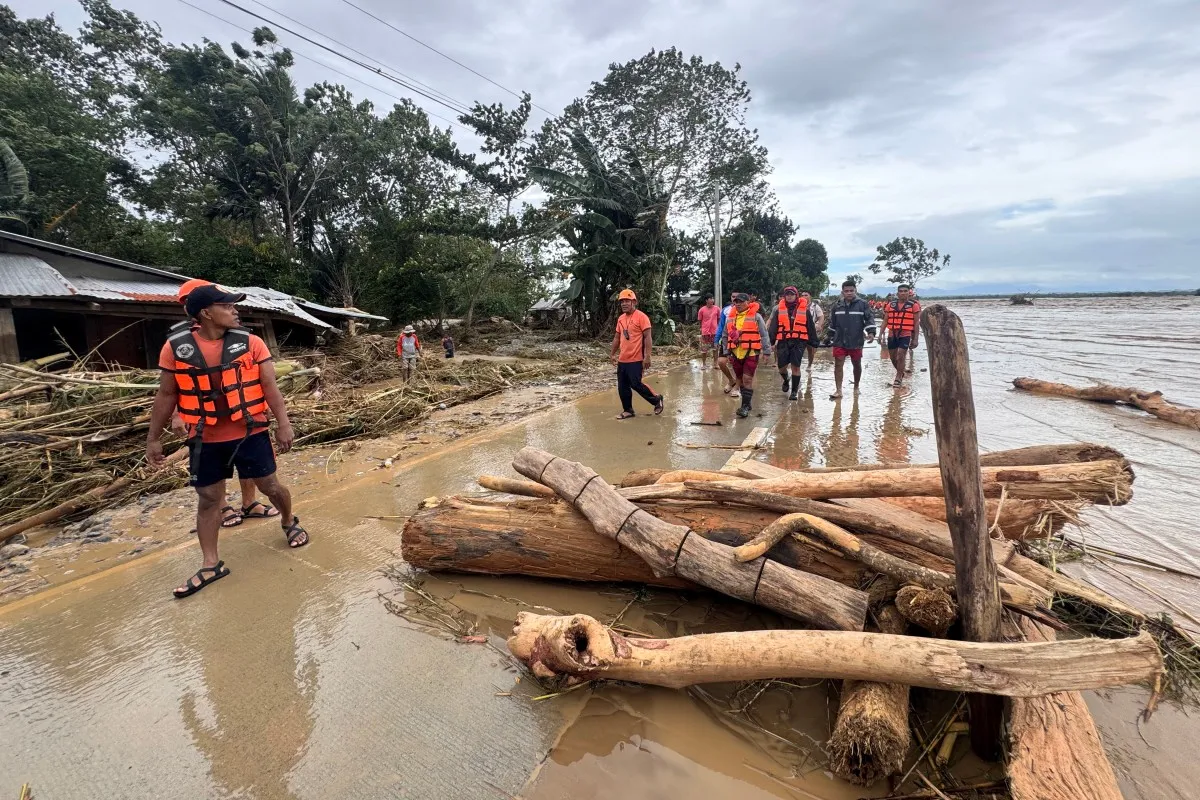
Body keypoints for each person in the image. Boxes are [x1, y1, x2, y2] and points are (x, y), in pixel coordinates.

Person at [146, 284, 307, 599]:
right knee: (208, 499)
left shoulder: (252, 343)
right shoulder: (175, 348)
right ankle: (210, 563)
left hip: (251, 432)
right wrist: (153, 439)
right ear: (206, 313)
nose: (236, 311)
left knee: (270, 486)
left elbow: (270, 388)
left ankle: (289, 520)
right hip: (204, 438)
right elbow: (166, 395)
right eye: (228, 305)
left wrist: (284, 424)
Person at [171, 280, 279, 529]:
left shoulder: (242, 338)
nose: (186, 307)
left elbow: (266, 382)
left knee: (249, 462)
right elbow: (176, 383)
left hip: (243, 414)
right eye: (184, 303)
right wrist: (176, 413)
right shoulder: (180, 343)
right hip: (206, 422)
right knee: (213, 474)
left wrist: (279, 418)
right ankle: (221, 506)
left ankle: (249, 502)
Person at [610, 289, 664, 419]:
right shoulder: (621, 319)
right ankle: (628, 410)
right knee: (622, 386)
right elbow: (617, 337)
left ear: (634, 302)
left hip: (636, 358)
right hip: (623, 359)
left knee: (636, 384)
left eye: (627, 301)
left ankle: (656, 399)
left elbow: (647, 337)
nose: (624, 304)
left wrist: (647, 356)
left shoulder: (642, 317)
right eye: (622, 301)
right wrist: (612, 354)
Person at [720, 292, 772, 418]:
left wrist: (767, 351)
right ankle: (747, 404)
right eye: (736, 302)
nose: (737, 304)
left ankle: (744, 407)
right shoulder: (730, 317)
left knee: (747, 379)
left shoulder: (756, 316)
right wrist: (726, 352)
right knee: (740, 380)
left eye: (741, 301)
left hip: (751, 352)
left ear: (747, 302)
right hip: (735, 353)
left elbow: (764, 334)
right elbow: (725, 336)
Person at [826, 280, 877, 399]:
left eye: (851, 291)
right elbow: (833, 323)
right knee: (838, 364)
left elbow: (869, 319)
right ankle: (838, 390)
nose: (849, 293)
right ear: (842, 292)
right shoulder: (837, 305)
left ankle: (856, 387)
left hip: (856, 340)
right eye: (846, 291)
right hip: (839, 340)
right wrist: (829, 336)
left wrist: (871, 333)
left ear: (855, 291)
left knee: (857, 364)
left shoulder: (862, 304)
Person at [766, 286, 817, 401]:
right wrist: (771, 342)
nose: (789, 296)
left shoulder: (805, 310)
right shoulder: (779, 309)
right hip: (784, 340)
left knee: (796, 366)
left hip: (799, 341)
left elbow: (810, 327)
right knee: (781, 368)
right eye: (787, 294)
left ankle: (794, 392)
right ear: (784, 296)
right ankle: (786, 379)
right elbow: (773, 327)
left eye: (792, 294)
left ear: (796, 296)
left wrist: (814, 341)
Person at [879, 284, 921, 387]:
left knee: (901, 355)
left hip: (905, 333)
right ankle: (901, 372)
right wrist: (880, 334)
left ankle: (898, 377)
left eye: (905, 291)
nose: (903, 293)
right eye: (901, 291)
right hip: (892, 333)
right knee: (893, 358)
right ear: (897, 293)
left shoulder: (914, 305)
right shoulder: (891, 305)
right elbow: (885, 320)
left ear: (909, 293)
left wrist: (915, 339)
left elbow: (916, 323)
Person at [712, 291, 740, 396]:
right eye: (733, 297)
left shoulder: (747, 310)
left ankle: (737, 387)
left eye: (738, 297)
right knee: (721, 362)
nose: (735, 299)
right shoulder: (725, 310)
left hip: (740, 341)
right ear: (731, 297)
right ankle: (731, 380)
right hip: (726, 339)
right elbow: (721, 325)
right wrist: (716, 339)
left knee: (738, 365)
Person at [801, 291, 824, 372]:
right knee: (798, 348)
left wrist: (819, 325)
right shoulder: (798, 305)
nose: (804, 296)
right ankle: (797, 365)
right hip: (800, 330)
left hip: (811, 330)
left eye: (806, 295)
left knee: (810, 349)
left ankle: (810, 364)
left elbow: (821, 316)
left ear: (810, 296)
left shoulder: (815, 306)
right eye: (802, 295)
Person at [696, 295, 721, 370]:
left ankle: (716, 364)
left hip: (715, 332)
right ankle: (704, 364)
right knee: (704, 349)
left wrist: (717, 328)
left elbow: (719, 319)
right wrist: (703, 328)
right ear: (706, 300)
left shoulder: (717, 309)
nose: (712, 300)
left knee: (715, 348)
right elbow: (700, 320)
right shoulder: (701, 310)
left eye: (713, 298)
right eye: (710, 298)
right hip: (705, 333)